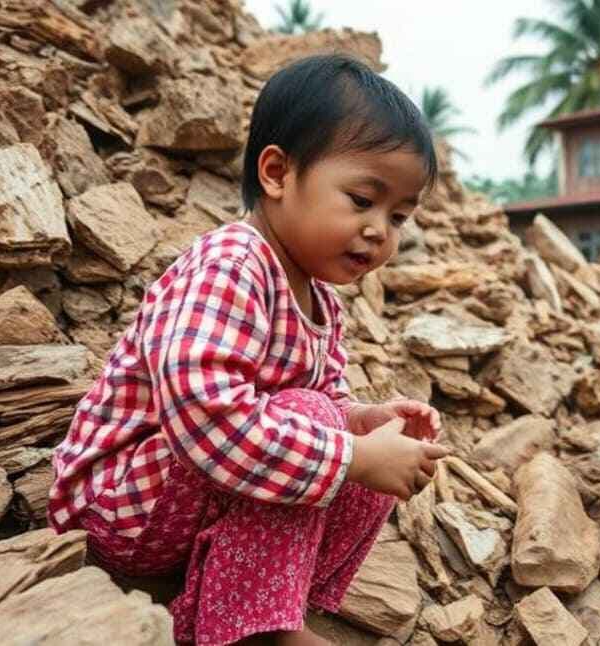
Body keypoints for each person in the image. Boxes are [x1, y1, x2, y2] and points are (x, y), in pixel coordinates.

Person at [48, 54, 450, 645]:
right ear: (277, 173)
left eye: (399, 216)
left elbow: (325, 401)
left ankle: (252, 607)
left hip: (193, 497)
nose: (379, 230)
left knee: (355, 448)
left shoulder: (323, 303)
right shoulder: (231, 263)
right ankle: (252, 631)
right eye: (363, 200)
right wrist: (348, 453)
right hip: (121, 509)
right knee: (331, 442)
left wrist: (366, 423)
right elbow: (204, 415)